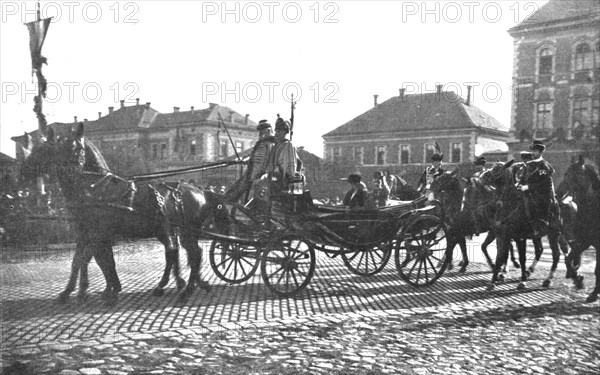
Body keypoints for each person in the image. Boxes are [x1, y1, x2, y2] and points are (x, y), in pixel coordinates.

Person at [225, 119, 274, 202]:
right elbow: (253, 156)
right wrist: (242, 160)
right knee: (237, 185)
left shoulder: (269, 144)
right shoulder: (262, 143)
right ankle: (227, 199)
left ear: (269, 131)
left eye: (262, 132)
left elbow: (263, 161)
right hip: (252, 172)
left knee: (240, 189)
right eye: (260, 132)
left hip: (259, 174)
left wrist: (256, 176)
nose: (260, 134)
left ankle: (229, 202)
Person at [517, 140, 556, 236]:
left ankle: (539, 226)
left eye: (535, 151)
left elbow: (545, 184)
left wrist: (528, 187)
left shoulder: (544, 166)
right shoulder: (529, 165)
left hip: (540, 194)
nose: (532, 153)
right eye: (532, 151)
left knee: (534, 204)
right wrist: (518, 185)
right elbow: (523, 179)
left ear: (540, 152)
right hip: (526, 192)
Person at [265, 117, 301, 196]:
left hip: (282, 181)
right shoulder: (276, 146)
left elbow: (291, 165)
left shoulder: (288, 145)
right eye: (276, 131)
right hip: (273, 178)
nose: (277, 133)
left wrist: (289, 178)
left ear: (285, 132)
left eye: (279, 131)